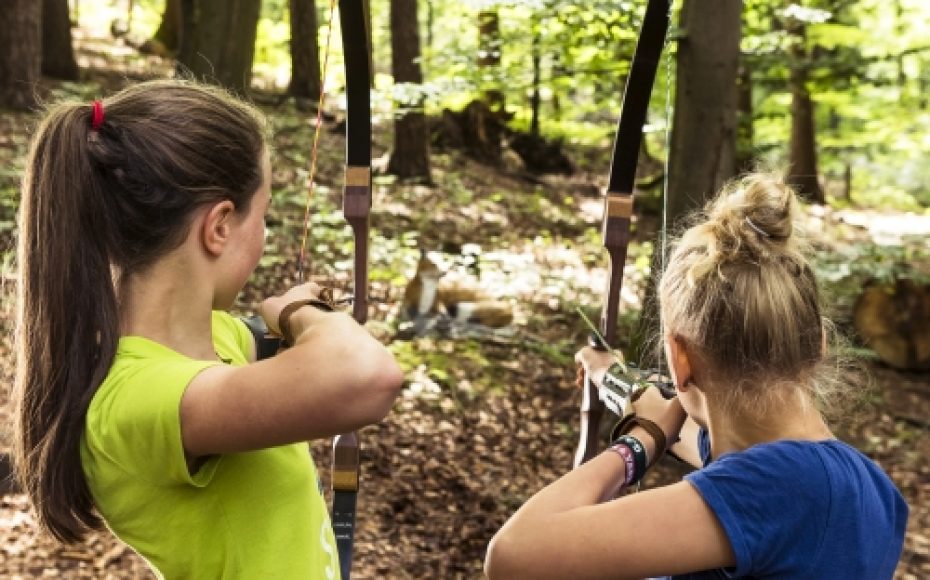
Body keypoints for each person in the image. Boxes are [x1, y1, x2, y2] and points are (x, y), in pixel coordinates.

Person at [13, 79, 404, 579]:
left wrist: (307, 320)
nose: (263, 236)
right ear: (219, 225)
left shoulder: (216, 341)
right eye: (262, 216)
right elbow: (367, 378)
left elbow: (313, 361)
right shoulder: (134, 400)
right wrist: (304, 313)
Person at [485, 173, 908, 579]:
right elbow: (693, 434)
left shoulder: (777, 489)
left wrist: (642, 439)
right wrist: (612, 377)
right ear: (818, 342)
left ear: (680, 358)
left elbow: (512, 555)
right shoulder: (872, 492)